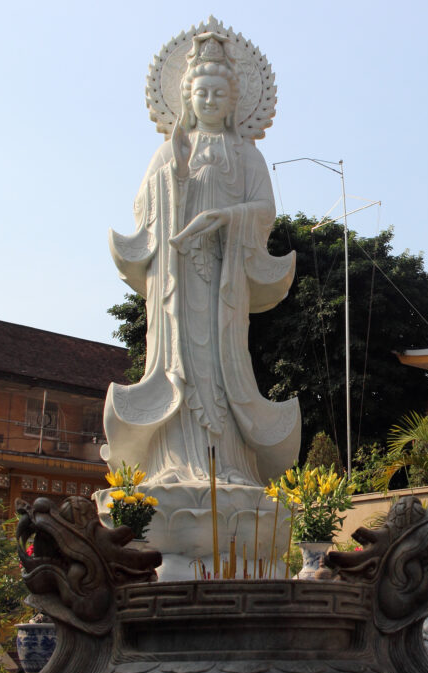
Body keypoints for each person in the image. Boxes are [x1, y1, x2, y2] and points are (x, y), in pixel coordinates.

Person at [104, 31, 299, 486]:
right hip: (175, 282)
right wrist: (172, 174)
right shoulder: (168, 151)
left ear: (234, 101)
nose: (210, 100)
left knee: (220, 365)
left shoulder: (247, 156)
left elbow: (265, 211)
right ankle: (173, 462)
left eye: (218, 94)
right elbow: (142, 209)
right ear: (187, 98)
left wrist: (225, 216)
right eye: (202, 93)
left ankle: (228, 464)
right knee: (179, 367)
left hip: (223, 281)